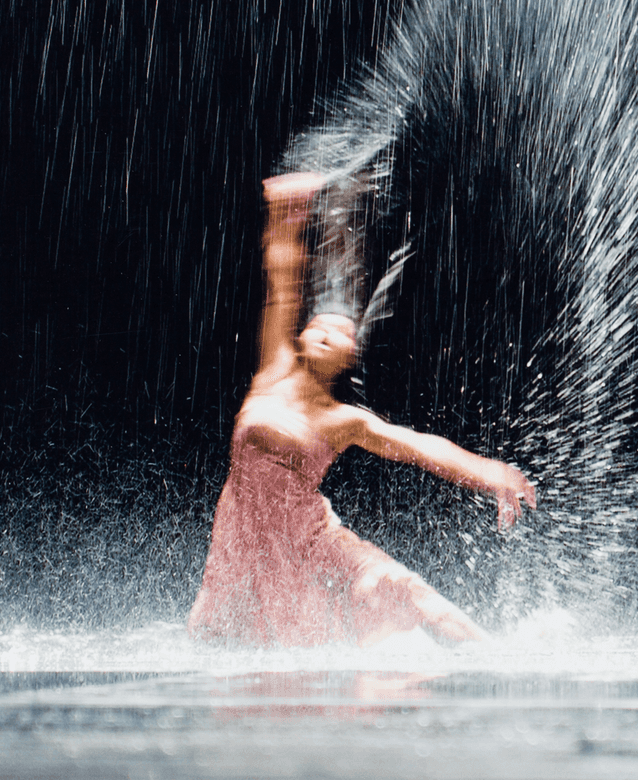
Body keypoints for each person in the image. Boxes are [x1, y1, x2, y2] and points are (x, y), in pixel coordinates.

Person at [187, 173, 536, 647]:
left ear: (348, 356)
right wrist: (284, 217)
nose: (326, 327)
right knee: (227, 643)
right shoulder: (274, 368)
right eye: (318, 323)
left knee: (406, 591)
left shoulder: (341, 420)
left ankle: (498, 660)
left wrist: (487, 472)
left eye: (340, 328)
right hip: (244, 539)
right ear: (305, 337)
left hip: (310, 539)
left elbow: (417, 447)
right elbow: (282, 285)